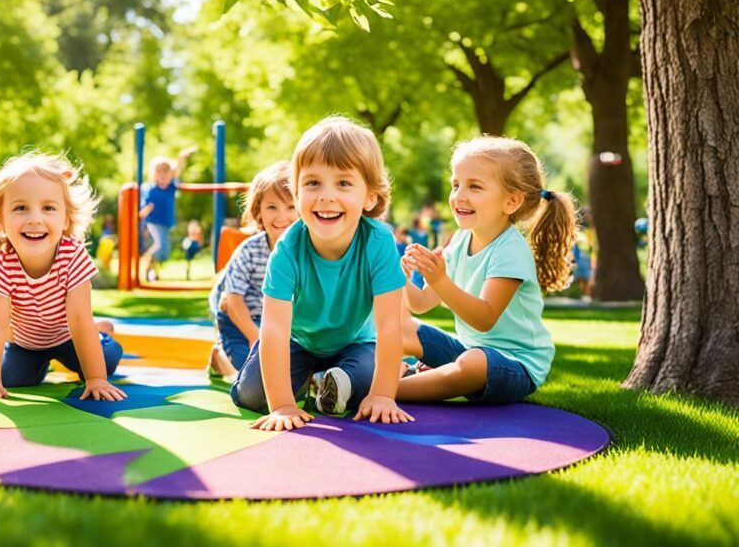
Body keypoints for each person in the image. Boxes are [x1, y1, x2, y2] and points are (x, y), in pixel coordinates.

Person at [230, 116, 413, 431]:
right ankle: (300, 384)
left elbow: (388, 325)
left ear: (370, 195)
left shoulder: (379, 241)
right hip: (297, 341)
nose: (326, 196)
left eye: (343, 183)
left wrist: (383, 395)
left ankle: (333, 385)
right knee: (250, 396)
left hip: (357, 342)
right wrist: (283, 406)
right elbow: (273, 329)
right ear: (297, 192)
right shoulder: (288, 249)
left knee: (368, 386)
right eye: (313, 183)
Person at [398, 137, 576, 403]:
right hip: (468, 349)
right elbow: (421, 303)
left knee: (473, 363)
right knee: (401, 327)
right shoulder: (459, 240)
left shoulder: (510, 250)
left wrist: (440, 279)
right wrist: (402, 279)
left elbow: (484, 318)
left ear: (511, 202)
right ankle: (366, 375)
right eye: (456, 185)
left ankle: (385, 389)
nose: (459, 195)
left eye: (475, 187)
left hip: (514, 365)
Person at [0, 151, 126, 405]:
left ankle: (102, 331)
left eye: (48, 208)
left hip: (68, 336)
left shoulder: (72, 255)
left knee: (107, 361)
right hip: (26, 344)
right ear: (0, 219)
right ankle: (40, 364)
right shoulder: (1, 262)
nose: (35, 219)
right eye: (20, 208)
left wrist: (96, 379)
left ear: (66, 217)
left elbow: (80, 320)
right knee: (11, 378)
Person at [207, 161, 297, 381]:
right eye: (272, 207)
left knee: (289, 371)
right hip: (239, 320)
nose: (281, 216)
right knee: (255, 373)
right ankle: (220, 358)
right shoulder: (249, 250)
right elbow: (232, 301)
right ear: (258, 211)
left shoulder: (306, 251)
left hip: (279, 323)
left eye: (290, 207)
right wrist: (255, 337)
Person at [139, 147, 196, 282]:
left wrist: (181, 158)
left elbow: (178, 170)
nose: (163, 174)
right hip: (153, 222)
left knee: (164, 251)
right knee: (159, 245)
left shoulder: (171, 187)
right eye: (159, 172)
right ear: (154, 174)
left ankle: (152, 269)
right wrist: (143, 213)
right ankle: (147, 262)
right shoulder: (151, 189)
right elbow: (146, 205)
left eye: (166, 171)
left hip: (165, 221)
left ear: (170, 173)